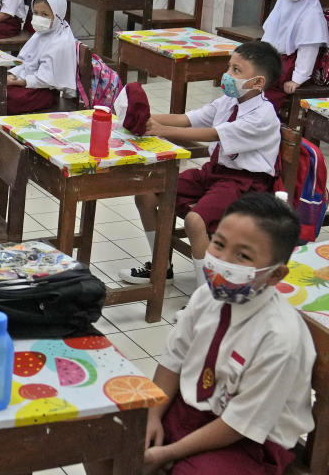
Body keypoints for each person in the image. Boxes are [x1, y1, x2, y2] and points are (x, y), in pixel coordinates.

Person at [140, 193, 313, 475]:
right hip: (190, 408)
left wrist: (166, 454)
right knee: (109, 433)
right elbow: (173, 360)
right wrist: (152, 415)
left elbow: (240, 423)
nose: (223, 260)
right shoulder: (206, 296)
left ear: (275, 275)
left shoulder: (280, 337)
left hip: (250, 439)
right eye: (218, 244)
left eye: (242, 256)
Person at [119, 41, 282, 285]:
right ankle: (161, 266)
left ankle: (208, 295)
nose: (227, 75)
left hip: (246, 184)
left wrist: (161, 129)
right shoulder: (229, 101)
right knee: (147, 192)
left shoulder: (264, 116)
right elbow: (188, 119)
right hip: (214, 173)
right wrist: (142, 118)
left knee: (196, 221)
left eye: (236, 71)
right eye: (229, 67)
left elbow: (214, 133)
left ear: (258, 82)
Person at [260, 0, 329, 112]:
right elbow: (269, 37)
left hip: (291, 66)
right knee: (247, 88)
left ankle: (259, 124)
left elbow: (308, 52)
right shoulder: (282, 4)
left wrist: (297, 79)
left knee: (265, 99)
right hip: (274, 60)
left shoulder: (312, 15)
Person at [3, 0, 77, 113]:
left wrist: (17, 81)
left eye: (45, 15)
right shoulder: (41, 34)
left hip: (43, 92)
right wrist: (13, 76)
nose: (39, 18)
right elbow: (25, 62)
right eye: (36, 13)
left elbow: (45, 79)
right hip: (28, 83)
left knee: (5, 98)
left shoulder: (60, 42)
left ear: (58, 15)